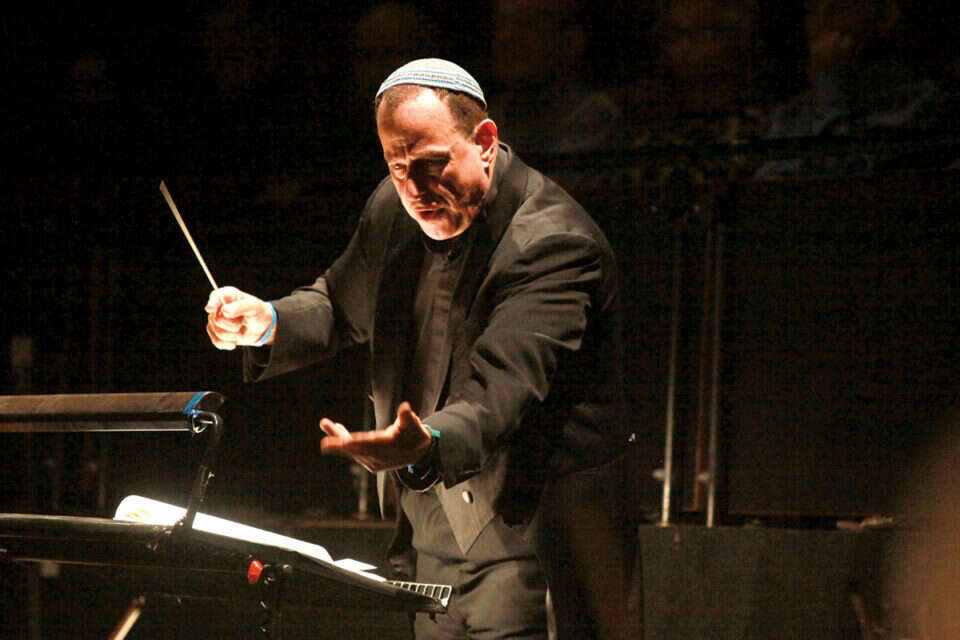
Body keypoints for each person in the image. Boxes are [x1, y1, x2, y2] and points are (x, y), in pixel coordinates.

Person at [204, 58, 638, 639]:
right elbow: (339, 302)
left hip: (532, 539)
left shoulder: (553, 242)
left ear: (485, 142)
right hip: (431, 532)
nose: (414, 189)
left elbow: (499, 394)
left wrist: (426, 441)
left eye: (432, 164)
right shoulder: (393, 206)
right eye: (397, 165)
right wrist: (268, 320)